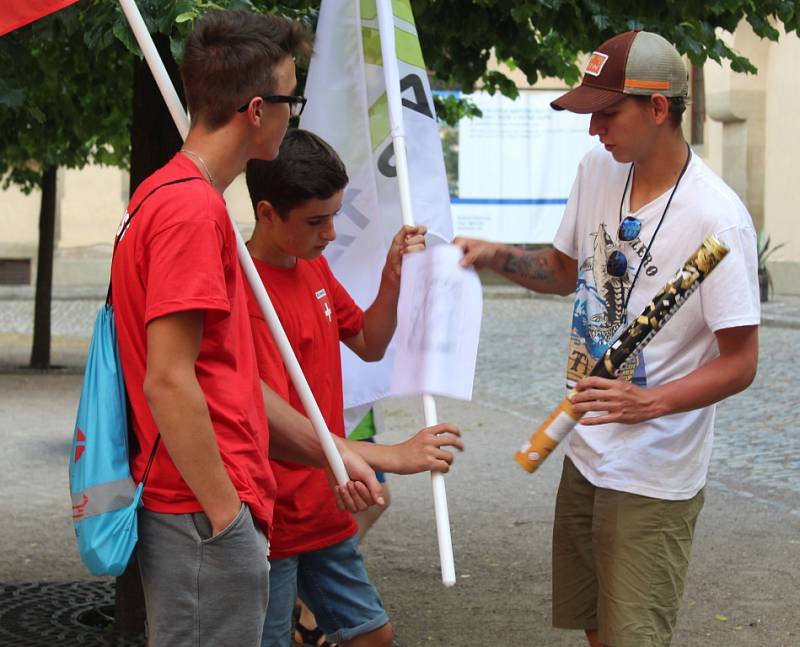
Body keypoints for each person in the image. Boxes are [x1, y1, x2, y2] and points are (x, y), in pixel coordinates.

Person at [455, 30, 759, 647]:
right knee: (596, 625)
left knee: (634, 636)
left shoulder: (717, 218)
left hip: (653, 472)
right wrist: (495, 255)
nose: (594, 130)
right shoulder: (599, 168)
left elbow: (742, 362)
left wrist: (652, 402)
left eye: (607, 113)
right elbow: (566, 271)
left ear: (658, 108)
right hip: (585, 449)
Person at [111, 11, 382, 647]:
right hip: (202, 511)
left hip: (203, 506)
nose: (297, 114)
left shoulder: (174, 196)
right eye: (294, 98)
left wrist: (332, 454)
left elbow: (226, 384)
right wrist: (228, 516)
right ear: (257, 109)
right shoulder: (189, 211)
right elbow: (170, 381)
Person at [244, 129, 463, 647]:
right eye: (316, 221)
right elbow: (271, 426)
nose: (331, 233)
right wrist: (393, 453)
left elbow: (368, 340)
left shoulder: (312, 265)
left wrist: (392, 278)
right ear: (268, 213)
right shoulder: (246, 291)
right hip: (275, 519)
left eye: (335, 215)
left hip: (325, 505)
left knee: (372, 636)